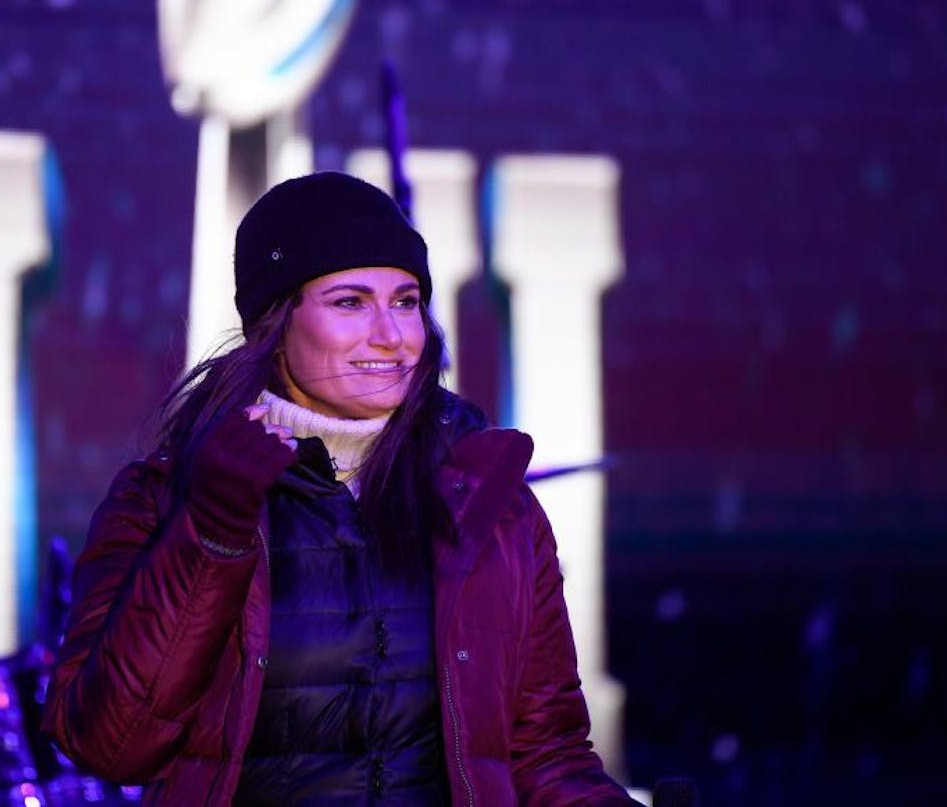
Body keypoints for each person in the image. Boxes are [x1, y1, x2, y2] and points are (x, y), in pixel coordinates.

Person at [42, 171, 634, 805]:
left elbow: (547, 757)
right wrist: (211, 535)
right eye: (350, 302)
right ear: (274, 322)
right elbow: (112, 743)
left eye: (406, 301)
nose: (390, 335)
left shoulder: (494, 504)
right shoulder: (162, 496)